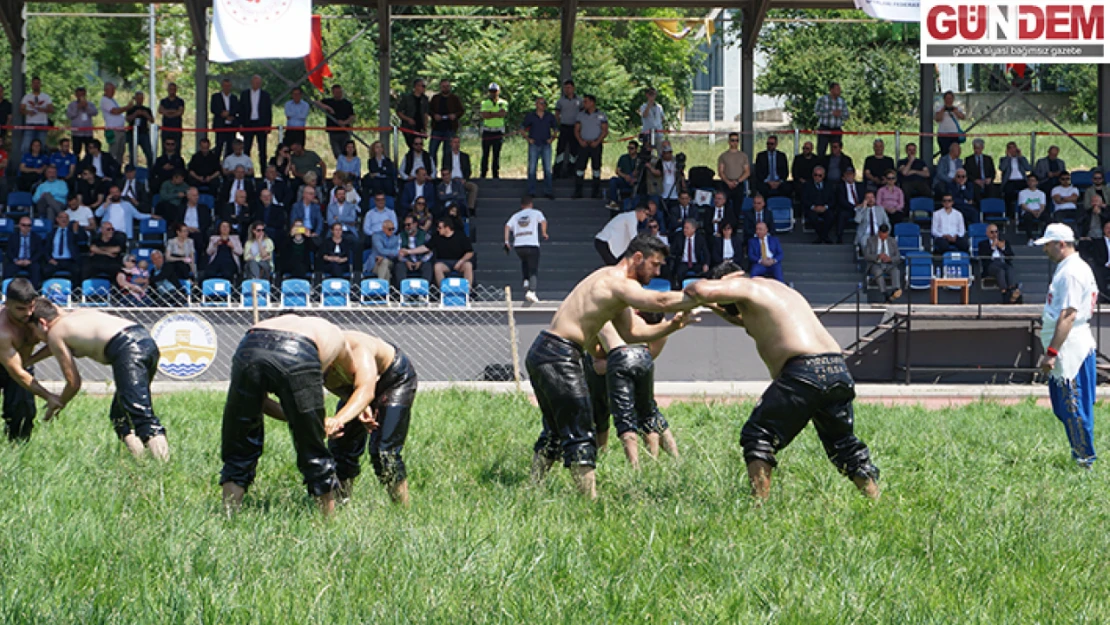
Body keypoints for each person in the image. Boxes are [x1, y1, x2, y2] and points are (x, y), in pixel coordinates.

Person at [685, 265, 880, 499]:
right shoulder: (777, 291)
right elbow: (745, 321)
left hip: (803, 371)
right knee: (844, 446)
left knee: (758, 435)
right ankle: (875, 502)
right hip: (837, 369)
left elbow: (698, 289)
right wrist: (712, 307)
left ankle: (760, 509)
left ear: (728, 281)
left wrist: (690, 295)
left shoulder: (745, 284)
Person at [528, 233, 698, 498]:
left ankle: (532, 489)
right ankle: (591, 504)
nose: (657, 271)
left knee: (556, 431)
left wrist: (673, 325)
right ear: (637, 258)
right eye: (654, 264)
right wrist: (705, 296)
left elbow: (632, 331)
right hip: (558, 354)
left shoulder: (612, 285)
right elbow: (660, 301)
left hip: (547, 352)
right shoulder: (615, 281)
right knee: (581, 431)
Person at [220, 315, 380, 516]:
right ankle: (328, 521)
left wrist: (304, 418)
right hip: (299, 349)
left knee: (239, 440)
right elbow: (357, 383)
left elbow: (259, 403)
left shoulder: (290, 322)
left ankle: (229, 514)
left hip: (250, 344)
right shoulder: (341, 344)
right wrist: (313, 422)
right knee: (313, 449)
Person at [28, 300, 171, 459]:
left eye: (33, 331)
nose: (36, 339)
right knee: (120, 416)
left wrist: (58, 403)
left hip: (128, 349)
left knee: (140, 412)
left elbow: (74, 383)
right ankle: (141, 461)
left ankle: (163, 468)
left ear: (42, 323)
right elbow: (55, 344)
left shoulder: (55, 334)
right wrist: (29, 361)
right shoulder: (76, 315)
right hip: (145, 340)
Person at [323, 331, 418, 505]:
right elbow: (339, 387)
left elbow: (366, 392)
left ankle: (403, 511)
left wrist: (338, 419)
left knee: (384, 453)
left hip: (393, 379)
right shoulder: (315, 359)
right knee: (342, 448)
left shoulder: (357, 349)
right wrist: (357, 406)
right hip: (356, 386)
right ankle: (341, 504)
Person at [1035, 224, 1099, 468]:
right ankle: (1082, 456)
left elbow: (1069, 314)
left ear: (1061, 243)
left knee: (1073, 406)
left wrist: (1052, 352)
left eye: (1048, 245)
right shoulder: (1071, 268)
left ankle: (1084, 460)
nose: (1045, 251)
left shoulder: (1071, 272)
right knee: (1066, 406)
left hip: (1071, 347)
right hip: (1070, 343)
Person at [594, 317, 678, 468]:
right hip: (642, 356)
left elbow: (598, 365)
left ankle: (635, 467)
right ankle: (666, 460)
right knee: (648, 412)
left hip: (618, 357)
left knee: (624, 417)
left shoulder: (602, 312)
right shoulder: (643, 319)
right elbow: (651, 354)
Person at [0, 279, 62, 441]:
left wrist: (30, 360)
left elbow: (61, 338)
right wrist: (48, 396)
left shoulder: (43, 313)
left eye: (30, 307)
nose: (28, 313)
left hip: (22, 363)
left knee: (23, 411)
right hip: (8, 364)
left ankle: (18, 450)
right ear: (7, 304)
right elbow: (18, 374)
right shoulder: (3, 331)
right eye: (20, 309)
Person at [505, 196, 548, 303]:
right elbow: (543, 221)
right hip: (531, 244)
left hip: (519, 245)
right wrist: (544, 232)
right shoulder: (536, 212)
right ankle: (532, 292)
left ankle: (526, 280)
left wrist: (506, 241)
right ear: (531, 204)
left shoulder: (516, 215)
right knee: (533, 269)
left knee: (524, 260)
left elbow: (507, 226)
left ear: (521, 205)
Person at [572, 95, 608, 199]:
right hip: (583, 145)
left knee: (596, 168)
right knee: (580, 168)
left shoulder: (601, 115)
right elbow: (576, 129)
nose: (584, 103)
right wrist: (580, 140)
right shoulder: (580, 115)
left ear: (592, 102)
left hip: (595, 145)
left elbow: (604, 130)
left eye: (586, 101)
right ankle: (578, 191)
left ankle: (596, 191)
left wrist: (597, 141)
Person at [522, 97, 558, 199]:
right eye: (541, 103)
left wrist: (552, 139)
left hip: (546, 144)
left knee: (547, 169)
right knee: (532, 169)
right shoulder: (531, 116)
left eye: (544, 103)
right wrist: (528, 139)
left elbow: (555, 128)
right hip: (534, 144)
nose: (543, 105)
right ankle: (531, 191)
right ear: (536, 104)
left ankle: (548, 191)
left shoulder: (549, 116)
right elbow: (522, 128)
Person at [977, 223, 1021, 304]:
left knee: (1009, 269)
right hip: (991, 264)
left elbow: (1010, 256)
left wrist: (1003, 248)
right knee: (1000, 271)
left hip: (1003, 262)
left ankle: (1011, 290)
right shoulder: (982, 244)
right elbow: (983, 257)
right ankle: (1005, 292)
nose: (994, 234)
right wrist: (992, 248)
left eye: (996, 232)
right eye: (992, 232)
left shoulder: (1004, 242)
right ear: (987, 233)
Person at [239, 75, 273, 170]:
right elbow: (241, 110)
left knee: (262, 149)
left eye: (258, 82)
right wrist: (240, 124)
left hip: (261, 124)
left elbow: (268, 111)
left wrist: (268, 125)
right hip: (248, 123)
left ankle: (263, 171)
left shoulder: (265, 95)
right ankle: (246, 170)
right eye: (255, 82)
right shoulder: (244, 94)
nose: (256, 84)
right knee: (246, 148)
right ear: (251, 82)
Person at [428, 79, 464, 166]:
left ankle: (446, 171)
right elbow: (429, 110)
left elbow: (461, 110)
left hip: (450, 128)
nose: (445, 88)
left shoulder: (455, 98)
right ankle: (432, 172)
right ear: (440, 87)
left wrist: (455, 115)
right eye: (443, 86)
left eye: (447, 86)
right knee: (432, 150)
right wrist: (434, 115)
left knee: (447, 152)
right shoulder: (435, 98)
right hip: (437, 128)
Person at [863, 224, 902, 302]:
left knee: (895, 271)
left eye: (886, 235)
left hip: (889, 264)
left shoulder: (892, 241)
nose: (884, 238)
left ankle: (895, 290)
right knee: (878, 272)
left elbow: (898, 256)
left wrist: (890, 259)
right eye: (882, 236)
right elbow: (866, 255)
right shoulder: (870, 240)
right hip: (876, 264)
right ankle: (884, 293)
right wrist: (877, 256)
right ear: (879, 233)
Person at [318, 84, 355, 159]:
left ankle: (347, 168)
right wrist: (327, 108)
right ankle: (341, 168)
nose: (338, 94)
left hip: (345, 132)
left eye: (340, 92)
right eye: (336, 92)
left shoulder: (347, 103)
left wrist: (344, 122)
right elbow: (316, 102)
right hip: (333, 132)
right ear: (333, 93)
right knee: (337, 153)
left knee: (346, 152)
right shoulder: (328, 101)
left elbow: (352, 117)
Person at [4, 217, 45, 288]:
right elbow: (9, 251)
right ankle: (7, 291)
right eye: (24, 225)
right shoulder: (13, 237)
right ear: (19, 225)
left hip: (30, 261)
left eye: (29, 225)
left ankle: (34, 291)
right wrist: (15, 260)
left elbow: (39, 252)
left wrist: (30, 261)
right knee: (8, 270)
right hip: (17, 261)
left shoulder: (36, 237)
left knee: (36, 269)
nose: (26, 227)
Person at [670, 218, 710, 287]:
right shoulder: (679, 236)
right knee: (679, 273)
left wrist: (706, 264)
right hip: (683, 262)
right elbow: (672, 250)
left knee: (705, 274)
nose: (684, 230)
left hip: (696, 263)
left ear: (693, 229)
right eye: (684, 228)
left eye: (687, 228)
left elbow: (706, 253)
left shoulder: (700, 238)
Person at [19, 77, 54, 153]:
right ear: (31, 85)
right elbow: (21, 110)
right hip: (29, 124)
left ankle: (41, 163)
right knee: (26, 146)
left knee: (41, 146)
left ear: (40, 84)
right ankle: (25, 162)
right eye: (34, 83)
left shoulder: (46, 97)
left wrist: (43, 109)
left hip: (42, 124)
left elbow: (51, 109)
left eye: (37, 83)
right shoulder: (27, 97)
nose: (36, 85)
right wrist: (28, 112)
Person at [803, 167, 837, 245]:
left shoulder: (829, 185)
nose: (817, 177)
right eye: (815, 175)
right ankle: (824, 237)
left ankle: (822, 236)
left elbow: (833, 199)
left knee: (831, 216)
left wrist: (825, 207)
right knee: (812, 217)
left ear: (824, 176)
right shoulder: (807, 185)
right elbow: (804, 199)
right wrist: (813, 207)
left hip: (825, 208)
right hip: (812, 208)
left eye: (820, 175)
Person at [814, 82, 849, 157]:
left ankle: (834, 167)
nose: (839, 91)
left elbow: (846, 115)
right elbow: (817, 112)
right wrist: (831, 113)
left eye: (839, 89)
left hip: (836, 129)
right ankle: (821, 167)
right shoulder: (822, 99)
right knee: (821, 151)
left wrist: (840, 114)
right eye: (837, 89)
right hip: (824, 128)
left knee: (836, 152)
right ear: (831, 90)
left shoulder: (842, 101)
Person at [717, 132, 750, 209]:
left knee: (738, 207)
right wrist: (728, 182)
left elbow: (747, 172)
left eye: (737, 140)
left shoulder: (743, 156)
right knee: (725, 207)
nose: (735, 142)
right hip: (726, 184)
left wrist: (737, 181)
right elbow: (721, 171)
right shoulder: (723, 156)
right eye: (732, 140)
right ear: (729, 141)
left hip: (739, 184)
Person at [397, 215, 434, 284]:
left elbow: (431, 251)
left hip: (421, 260)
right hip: (407, 261)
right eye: (405, 225)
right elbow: (398, 252)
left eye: (408, 225)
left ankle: (424, 291)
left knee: (428, 266)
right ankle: (403, 291)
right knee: (399, 266)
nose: (406, 227)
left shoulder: (425, 235)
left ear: (415, 224)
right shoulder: (401, 235)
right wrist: (406, 261)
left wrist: (421, 261)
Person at [65, 87, 99, 159]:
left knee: (89, 151)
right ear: (76, 95)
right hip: (77, 133)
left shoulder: (90, 104)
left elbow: (95, 113)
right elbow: (70, 115)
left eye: (82, 95)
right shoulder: (72, 105)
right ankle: (76, 166)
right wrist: (78, 107)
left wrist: (86, 106)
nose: (81, 96)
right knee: (76, 152)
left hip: (88, 133)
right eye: (79, 95)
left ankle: (88, 166)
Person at [753, 134, 790, 199]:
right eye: (768, 144)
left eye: (771, 144)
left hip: (778, 181)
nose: (769, 146)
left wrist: (778, 182)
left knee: (787, 188)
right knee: (762, 188)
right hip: (766, 181)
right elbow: (758, 172)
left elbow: (785, 171)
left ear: (776, 144)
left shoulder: (781, 156)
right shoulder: (761, 156)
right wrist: (768, 182)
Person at [396, 78, 429, 149]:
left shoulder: (425, 99)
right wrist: (408, 119)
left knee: (419, 147)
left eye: (424, 86)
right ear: (416, 86)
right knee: (412, 146)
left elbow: (426, 114)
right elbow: (399, 111)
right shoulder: (407, 98)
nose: (424, 88)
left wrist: (425, 129)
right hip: (408, 127)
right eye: (422, 86)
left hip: (420, 127)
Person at [606, 141, 641, 209]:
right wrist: (625, 176)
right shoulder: (623, 158)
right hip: (624, 179)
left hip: (636, 181)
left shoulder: (640, 159)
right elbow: (617, 171)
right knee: (613, 180)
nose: (629, 150)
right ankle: (614, 201)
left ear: (636, 149)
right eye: (628, 148)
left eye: (632, 148)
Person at [125, 91, 155, 167]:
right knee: (132, 155)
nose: (140, 100)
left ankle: (151, 171)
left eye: (141, 98)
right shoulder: (131, 109)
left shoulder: (147, 109)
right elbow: (127, 119)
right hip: (132, 134)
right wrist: (135, 114)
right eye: (138, 98)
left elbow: (152, 120)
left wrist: (145, 114)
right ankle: (132, 172)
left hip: (144, 133)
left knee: (149, 154)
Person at [1018, 173, 1050, 244]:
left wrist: (1039, 212)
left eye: (1033, 180)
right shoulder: (1022, 193)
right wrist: (1032, 212)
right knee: (1027, 218)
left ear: (1037, 182)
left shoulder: (1041, 193)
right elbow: (1023, 205)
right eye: (1029, 180)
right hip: (1028, 211)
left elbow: (1042, 205)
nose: (1031, 182)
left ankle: (1041, 237)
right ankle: (1030, 238)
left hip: (1039, 211)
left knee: (1048, 219)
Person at [934, 91, 966, 157]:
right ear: (944, 99)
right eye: (947, 98)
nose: (949, 100)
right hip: (943, 134)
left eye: (950, 98)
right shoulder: (939, 108)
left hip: (954, 134)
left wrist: (955, 111)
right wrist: (943, 110)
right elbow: (938, 119)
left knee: (955, 152)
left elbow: (963, 117)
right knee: (945, 153)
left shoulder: (957, 108)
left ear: (953, 99)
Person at [157, 83, 185, 151]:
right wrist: (173, 111)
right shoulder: (163, 101)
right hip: (166, 129)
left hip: (176, 129)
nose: (172, 91)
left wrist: (167, 112)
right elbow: (160, 110)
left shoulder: (180, 101)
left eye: (173, 89)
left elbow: (180, 112)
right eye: (170, 89)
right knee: (164, 149)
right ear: (167, 90)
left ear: (176, 90)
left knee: (177, 149)